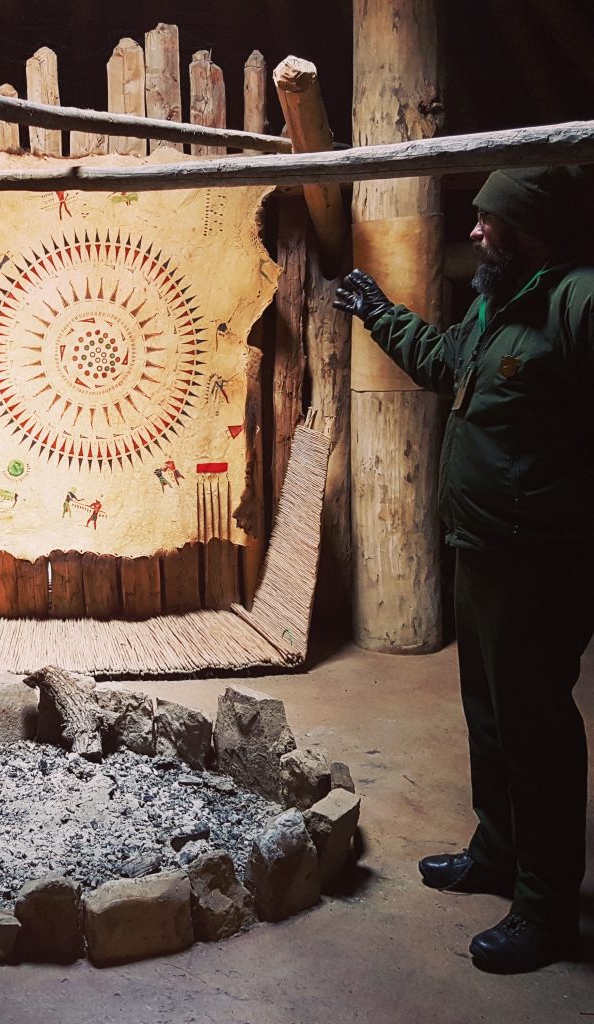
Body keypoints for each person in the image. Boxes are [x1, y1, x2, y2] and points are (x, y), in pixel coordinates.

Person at [334, 165, 593, 974]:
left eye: (489, 219)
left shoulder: (576, 301)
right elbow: (445, 362)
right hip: (481, 551)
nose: (475, 231)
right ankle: (498, 852)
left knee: (536, 731)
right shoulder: (497, 303)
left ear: (529, 227)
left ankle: (546, 910)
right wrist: (378, 312)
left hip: (540, 562)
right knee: (488, 716)